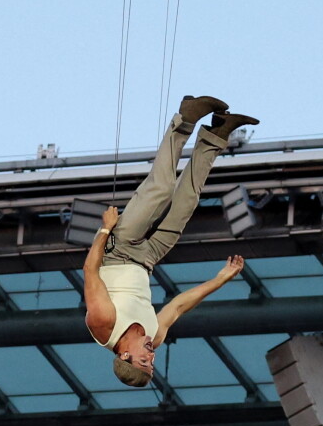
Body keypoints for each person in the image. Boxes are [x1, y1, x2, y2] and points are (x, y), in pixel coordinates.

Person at [83, 95, 259, 387]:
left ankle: (186, 118)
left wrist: (105, 230)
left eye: (144, 362)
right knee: (187, 200)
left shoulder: (103, 325)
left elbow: (90, 271)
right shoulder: (155, 336)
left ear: (125, 356)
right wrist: (219, 280)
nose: (151, 358)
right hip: (149, 257)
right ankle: (217, 133)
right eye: (151, 365)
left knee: (161, 188)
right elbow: (177, 307)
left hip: (119, 248)